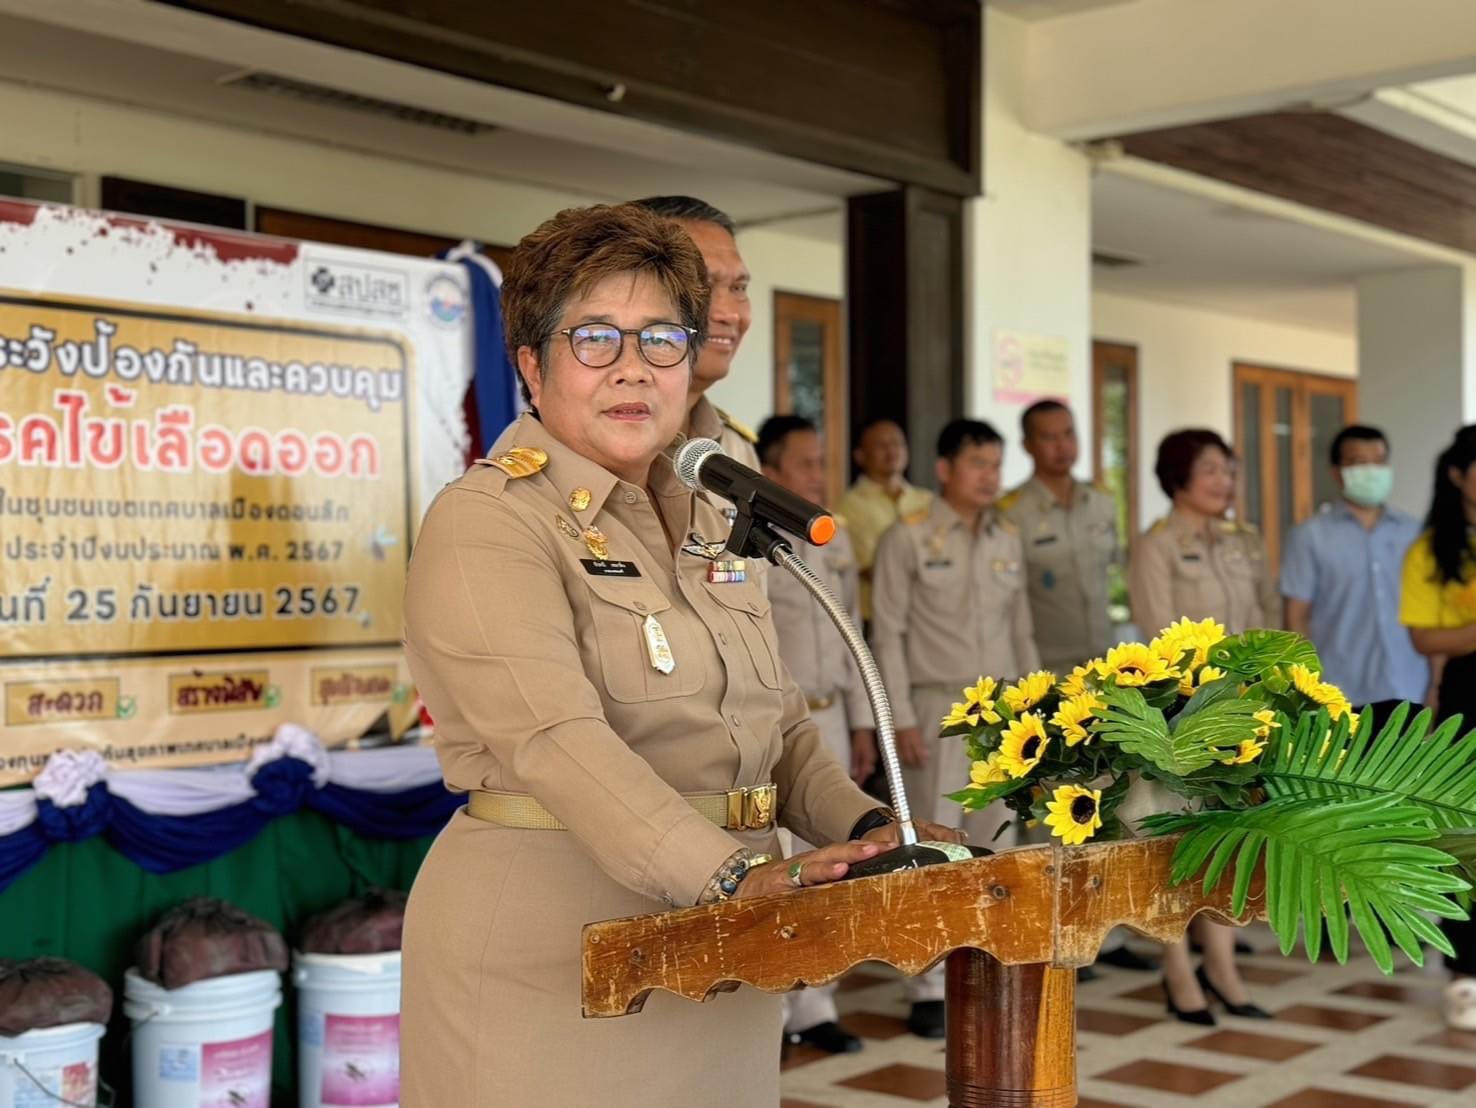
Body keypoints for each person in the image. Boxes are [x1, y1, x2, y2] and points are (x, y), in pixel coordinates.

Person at [397, 203, 963, 1106]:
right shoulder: (488, 521)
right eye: (594, 338)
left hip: (729, 945)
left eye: (661, 339)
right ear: (532, 368)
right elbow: (555, 741)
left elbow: (777, 727)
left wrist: (864, 833)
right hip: (559, 952)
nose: (632, 368)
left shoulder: (709, 517)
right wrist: (734, 876)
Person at [870, 418, 1038, 1037]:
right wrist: (899, 720)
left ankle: (990, 963)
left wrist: (1033, 712)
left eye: (996, 465)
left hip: (1000, 716)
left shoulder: (1008, 538)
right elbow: (886, 634)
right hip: (934, 713)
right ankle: (927, 984)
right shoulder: (906, 538)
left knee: (997, 842)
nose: (991, 477)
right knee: (934, 850)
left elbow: (1021, 628)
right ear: (944, 470)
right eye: (978, 465)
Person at [999, 399, 1154, 974]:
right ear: (1029, 445)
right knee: (1049, 811)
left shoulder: (1102, 504)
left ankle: (1106, 933)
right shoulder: (1011, 512)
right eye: (1049, 437)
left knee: (1106, 799)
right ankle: (1058, 935)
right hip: (1045, 677)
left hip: (1101, 675)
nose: (1062, 446)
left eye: (1069, 434)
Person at [1129, 428, 1276, 1026]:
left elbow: (1266, 620)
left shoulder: (1245, 542)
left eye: (1228, 469)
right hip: (1182, 718)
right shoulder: (1156, 545)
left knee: (1229, 843)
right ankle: (1178, 972)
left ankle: (1224, 969)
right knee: (1173, 846)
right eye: (1211, 469)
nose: (1224, 481)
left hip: (1245, 712)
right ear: (1179, 477)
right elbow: (1156, 636)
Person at [757, 414, 878, 1055]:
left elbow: (853, 631)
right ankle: (771, 1014)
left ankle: (816, 1006)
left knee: (833, 857)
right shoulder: (741, 537)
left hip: (830, 714)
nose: (817, 475)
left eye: (820, 462)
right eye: (804, 464)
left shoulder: (833, 533)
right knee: (779, 860)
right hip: (773, 721)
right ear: (770, 471)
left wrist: (862, 722)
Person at [1400, 424, 1476, 1029]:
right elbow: (1426, 636)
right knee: (1465, 830)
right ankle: (1464, 973)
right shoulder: (1431, 550)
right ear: (1457, 475)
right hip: (1468, 692)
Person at [1281, 425, 1427, 718]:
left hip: (1411, 685)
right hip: (1340, 692)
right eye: (1359, 462)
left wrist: (1436, 681)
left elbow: (1430, 614)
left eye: (1379, 461)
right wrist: (1308, 686)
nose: (1372, 470)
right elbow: (1296, 616)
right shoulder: (1310, 535)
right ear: (1336, 472)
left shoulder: (1414, 532)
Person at [633, 195, 759, 468]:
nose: (729, 314)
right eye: (701, 285)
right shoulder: (599, 439)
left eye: (738, 288)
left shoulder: (734, 449)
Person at [837, 418, 933, 621]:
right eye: (882, 445)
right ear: (860, 455)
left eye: (898, 443)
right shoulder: (846, 506)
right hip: (875, 617)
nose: (892, 450)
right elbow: (868, 568)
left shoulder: (927, 501)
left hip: (925, 617)